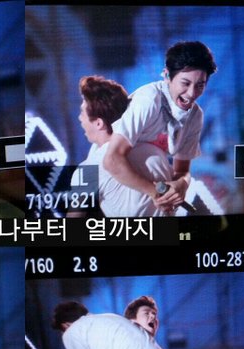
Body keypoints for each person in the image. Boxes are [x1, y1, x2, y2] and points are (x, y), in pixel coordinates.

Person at [102, 41, 217, 213]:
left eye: (200, 85)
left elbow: (182, 171)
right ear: (167, 75)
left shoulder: (195, 116)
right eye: (185, 83)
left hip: (146, 188)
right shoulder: (149, 100)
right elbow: (111, 160)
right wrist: (156, 193)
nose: (192, 93)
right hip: (112, 178)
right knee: (154, 159)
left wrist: (182, 185)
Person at [68, 75, 172, 217]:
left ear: (98, 123)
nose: (80, 118)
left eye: (82, 113)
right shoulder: (154, 151)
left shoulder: (89, 170)